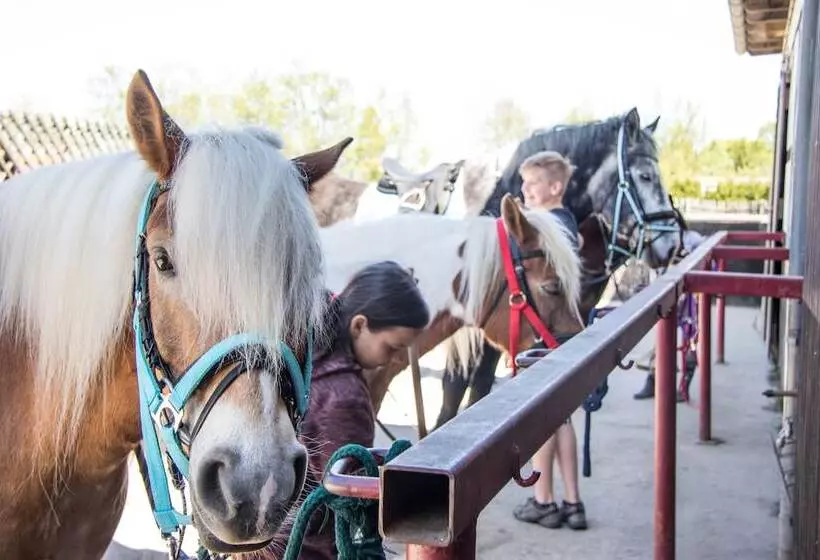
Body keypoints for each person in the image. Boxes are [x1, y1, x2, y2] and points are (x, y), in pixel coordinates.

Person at [270, 260, 430, 559]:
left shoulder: (301, 355)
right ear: (359, 325)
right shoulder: (347, 397)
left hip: (266, 540)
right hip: (309, 550)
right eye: (393, 347)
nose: (396, 359)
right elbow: (346, 505)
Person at [510, 151, 588, 531]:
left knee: (543, 418)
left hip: (547, 333)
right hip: (565, 334)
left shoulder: (546, 226)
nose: (525, 190)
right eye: (523, 183)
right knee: (562, 419)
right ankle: (573, 502)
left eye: (533, 183)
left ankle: (544, 500)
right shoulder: (569, 222)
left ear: (555, 187)